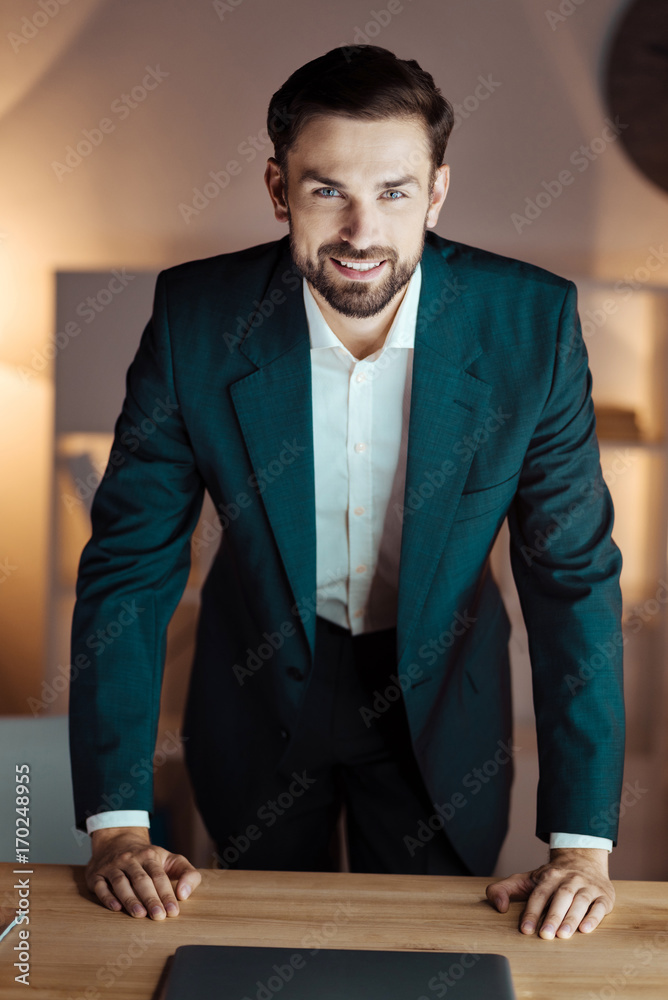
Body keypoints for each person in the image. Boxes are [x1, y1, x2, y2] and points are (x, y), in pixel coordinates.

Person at [69, 45, 625, 941]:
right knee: (252, 958)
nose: (362, 232)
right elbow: (129, 569)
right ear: (278, 190)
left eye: (395, 192)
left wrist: (581, 846)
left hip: (443, 702)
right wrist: (117, 827)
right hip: (255, 690)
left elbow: (573, 581)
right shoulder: (195, 320)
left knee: (435, 963)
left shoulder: (532, 325)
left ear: (436, 194)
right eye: (328, 190)